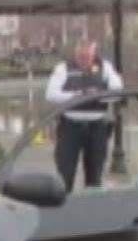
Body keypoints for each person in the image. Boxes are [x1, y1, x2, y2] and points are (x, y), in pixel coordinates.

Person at [46, 40, 123, 189]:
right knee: (65, 172)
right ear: (75, 54)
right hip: (70, 127)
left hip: (97, 128)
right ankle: (64, 207)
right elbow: (51, 94)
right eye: (81, 57)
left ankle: (92, 207)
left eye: (88, 57)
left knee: (95, 174)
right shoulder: (63, 68)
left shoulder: (105, 67)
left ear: (93, 53)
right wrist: (77, 95)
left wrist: (98, 95)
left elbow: (117, 92)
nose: (84, 61)